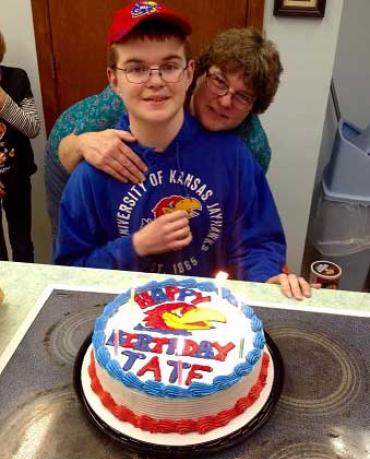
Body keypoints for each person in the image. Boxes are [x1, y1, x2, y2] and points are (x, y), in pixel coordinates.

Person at [55, 1, 287, 290]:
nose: (156, 81)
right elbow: (70, 275)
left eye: (169, 66)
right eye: (137, 68)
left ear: (189, 73)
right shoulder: (92, 172)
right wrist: (136, 246)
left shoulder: (239, 155)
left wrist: (266, 280)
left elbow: (257, 241)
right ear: (114, 80)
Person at [0, 30, 40, 262]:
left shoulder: (17, 78)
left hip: (17, 174)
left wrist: (3, 101)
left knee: (23, 246)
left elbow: (32, 128)